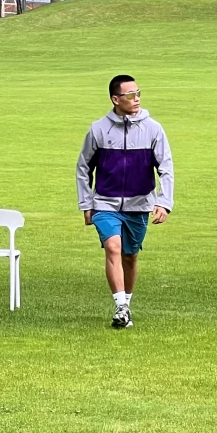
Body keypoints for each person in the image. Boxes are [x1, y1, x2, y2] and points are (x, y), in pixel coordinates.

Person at [76, 74, 173, 329]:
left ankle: (125, 308)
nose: (136, 98)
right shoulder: (98, 129)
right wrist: (87, 204)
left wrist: (163, 202)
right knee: (114, 248)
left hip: (139, 205)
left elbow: (166, 167)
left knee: (130, 256)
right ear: (115, 99)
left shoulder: (153, 129)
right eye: (130, 95)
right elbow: (83, 167)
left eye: (138, 92)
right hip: (105, 204)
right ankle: (120, 305)